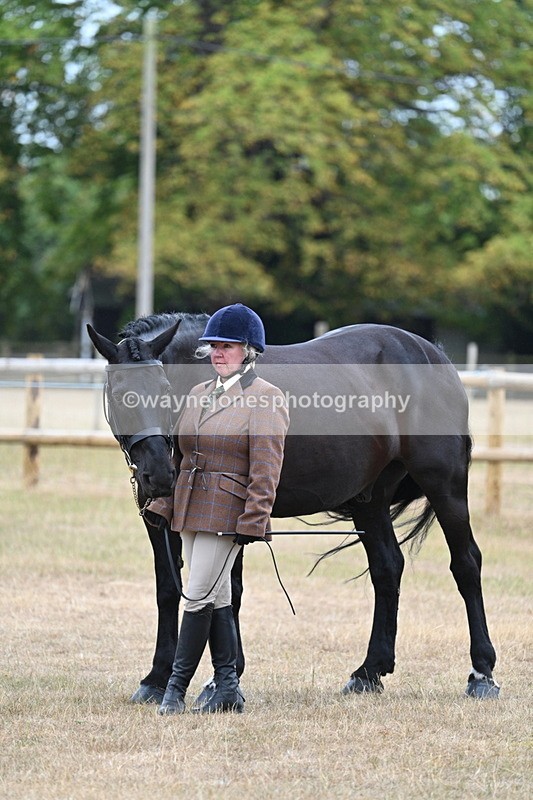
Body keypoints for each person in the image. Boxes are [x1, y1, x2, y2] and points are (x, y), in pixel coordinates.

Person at [148, 303, 289, 715]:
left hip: (227, 513)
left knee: (195, 597)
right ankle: (228, 686)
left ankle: (174, 689)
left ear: (248, 350)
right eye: (213, 345)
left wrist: (255, 518)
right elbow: (181, 457)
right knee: (218, 596)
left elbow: (267, 467)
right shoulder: (196, 395)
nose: (218, 353)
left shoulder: (267, 398)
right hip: (191, 509)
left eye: (227, 346)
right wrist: (163, 501)